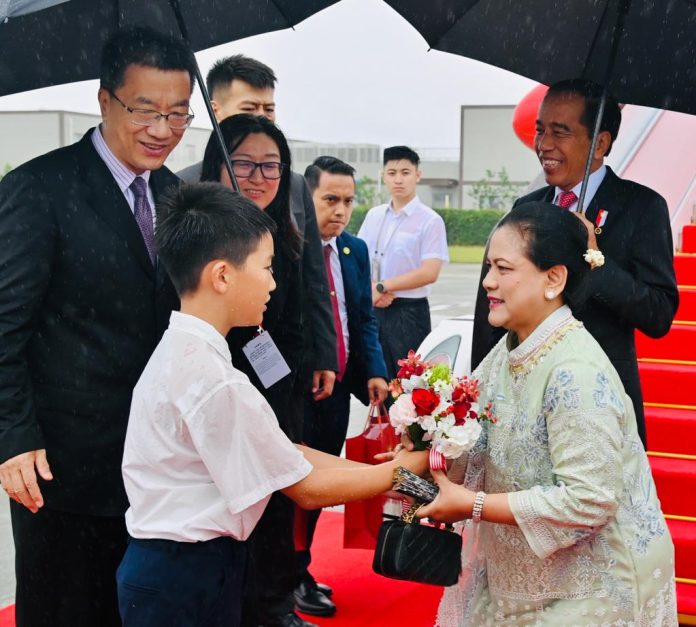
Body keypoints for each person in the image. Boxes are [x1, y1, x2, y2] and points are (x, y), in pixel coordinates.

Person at [116, 182, 429, 627]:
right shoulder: (213, 379)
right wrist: (409, 472)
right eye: (266, 267)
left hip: (176, 566)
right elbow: (303, 486)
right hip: (185, 572)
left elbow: (286, 454)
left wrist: (383, 474)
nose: (273, 282)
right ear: (222, 275)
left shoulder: (188, 352)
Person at [0, 27, 196, 627]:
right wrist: (12, 436)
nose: (162, 130)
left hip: (156, 466)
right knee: (65, 610)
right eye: (145, 111)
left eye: (179, 113)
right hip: (63, 469)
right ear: (105, 100)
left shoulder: (179, 196)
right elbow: (4, 325)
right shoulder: (39, 188)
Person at [417, 202, 677, 626]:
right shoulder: (507, 352)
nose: (488, 281)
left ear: (554, 278)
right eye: (488, 267)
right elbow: (471, 438)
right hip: (524, 577)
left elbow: (587, 500)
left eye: (503, 268)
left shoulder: (575, 371)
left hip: (591, 590)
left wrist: (474, 504)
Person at [470, 79, 678, 448]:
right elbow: (492, 309)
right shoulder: (526, 209)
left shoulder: (642, 207)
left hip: (599, 407)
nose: (544, 144)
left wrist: (594, 258)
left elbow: (658, 313)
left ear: (600, 143)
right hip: (523, 409)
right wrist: (477, 396)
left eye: (560, 132)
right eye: (540, 130)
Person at [179, 54, 337, 415]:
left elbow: (312, 277)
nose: (262, 117)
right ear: (215, 110)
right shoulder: (182, 188)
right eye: (250, 107)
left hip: (278, 360)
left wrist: (320, 354)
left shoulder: (293, 185)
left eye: (270, 108)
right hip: (210, 378)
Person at [201, 113, 311, 627]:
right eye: (243, 163)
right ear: (217, 166)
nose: (258, 177)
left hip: (275, 393)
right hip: (219, 396)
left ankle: (274, 606)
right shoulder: (199, 239)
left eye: (271, 166)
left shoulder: (279, 235)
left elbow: (293, 320)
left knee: (274, 515)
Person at [294, 156, 389, 617]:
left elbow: (363, 320)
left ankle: (300, 569)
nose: (341, 210)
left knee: (325, 486)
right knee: (291, 489)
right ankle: (281, 575)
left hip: (339, 393)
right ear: (306, 198)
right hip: (298, 393)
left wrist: (374, 371)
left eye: (349, 201)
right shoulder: (290, 248)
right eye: (330, 199)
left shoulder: (355, 251)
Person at [357, 145, 449, 380]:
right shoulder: (374, 215)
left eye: (405, 172)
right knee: (374, 378)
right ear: (383, 176)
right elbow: (360, 260)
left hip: (409, 313)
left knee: (409, 384)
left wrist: (383, 286)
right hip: (375, 309)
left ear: (418, 175)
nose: (398, 179)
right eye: (392, 172)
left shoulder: (430, 221)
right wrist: (373, 289)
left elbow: (430, 272)